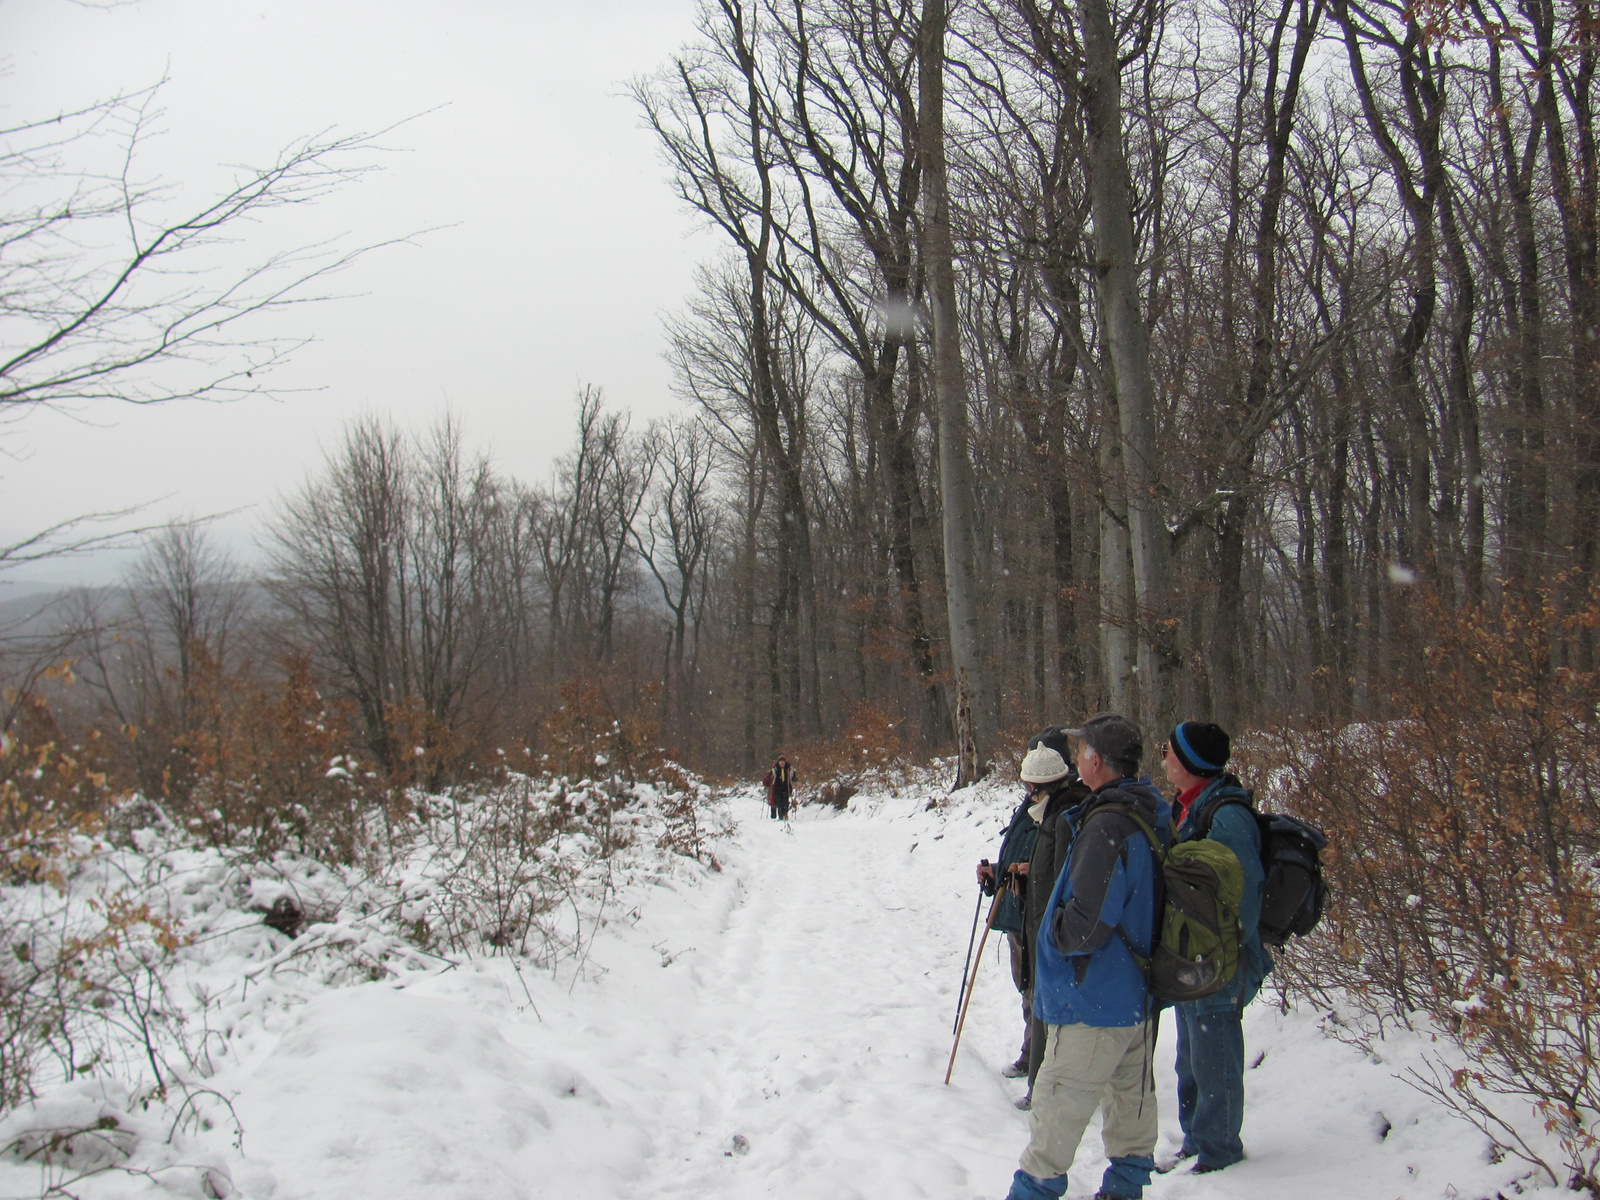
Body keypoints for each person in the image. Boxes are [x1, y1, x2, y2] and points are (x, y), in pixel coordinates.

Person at [1005, 712, 1170, 1200]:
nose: (1077, 760)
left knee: (1054, 1122)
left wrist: (1055, 935)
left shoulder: (1108, 825)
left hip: (1094, 997)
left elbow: (1089, 923)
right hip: (1133, 995)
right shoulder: (1148, 811)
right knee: (1129, 1113)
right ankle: (1124, 1189)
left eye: (1081, 753)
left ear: (1096, 761)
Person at [1160, 721, 1268, 1175]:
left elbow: (1245, 889)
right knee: (1192, 1054)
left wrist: (1226, 952)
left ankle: (1220, 1150)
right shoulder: (1189, 807)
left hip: (1219, 958)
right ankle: (1197, 1137)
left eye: (1169, 749)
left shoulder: (1227, 815)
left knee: (1216, 1056)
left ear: (1190, 762)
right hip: (1193, 955)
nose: (1163, 756)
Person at [765, 756, 795, 820]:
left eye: (783, 762)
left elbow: (793, 776)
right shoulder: (775, 769)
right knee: (779, 802)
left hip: (786, 788)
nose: (782, 764)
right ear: (778, 762)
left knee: (785, 802)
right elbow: (768, 777)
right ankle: (781, 816)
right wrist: (767, 782)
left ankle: (785, 814)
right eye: (781, 762)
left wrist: (795, 779)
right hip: (777, 788)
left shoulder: (789, 768)